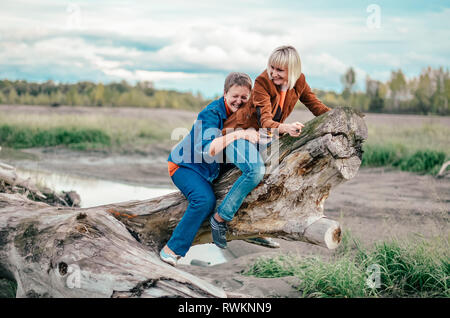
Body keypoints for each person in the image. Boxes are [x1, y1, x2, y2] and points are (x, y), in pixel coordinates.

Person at [209, 45, 332, 248]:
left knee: (272, 177)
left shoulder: (299, 81)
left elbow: (315, 105)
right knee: (255, 171)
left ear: (292, 70)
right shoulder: (262, 82)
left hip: (261, 138)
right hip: (237, 134)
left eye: (279, 70)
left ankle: (251, 228)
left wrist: (340, 117)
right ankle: (220, 218)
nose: (273, 73)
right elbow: (266, 120)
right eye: (271, 67)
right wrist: (286, 128)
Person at [160, 72, 259, 266]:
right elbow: (208, 150)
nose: (238, 101)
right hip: (185, 166)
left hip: (212, 170)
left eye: (243, 97)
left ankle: (254, 231)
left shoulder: (247, 113)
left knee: (250, 177)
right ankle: (171, 249)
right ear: (224, 94)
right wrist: (240, 134)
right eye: (234, 96)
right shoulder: (211, 113)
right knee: (204, 200)